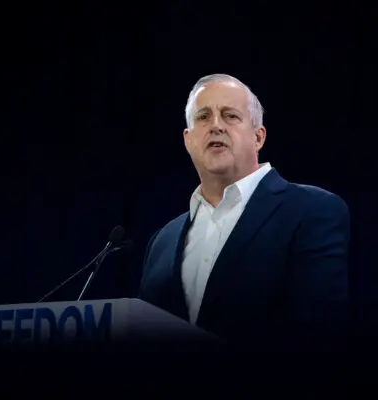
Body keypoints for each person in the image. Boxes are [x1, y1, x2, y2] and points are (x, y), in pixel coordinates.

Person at [138, 74, 349, 352]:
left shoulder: (312, 211)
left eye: (230, 116)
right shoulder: (162, 240)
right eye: (203, 117)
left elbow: (319, 335)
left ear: (258, 136)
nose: (216, 126)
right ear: (188, 140)